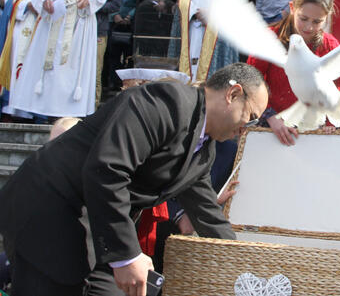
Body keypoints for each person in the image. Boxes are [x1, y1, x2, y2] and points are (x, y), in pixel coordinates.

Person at [0, 62, 268, 295]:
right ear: (233, 94)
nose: (246, 129)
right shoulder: (166, 101)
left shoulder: (203, 150)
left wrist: (247, 265)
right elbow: (108, 169)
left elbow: (207, 212)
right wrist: (126, 256)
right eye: (251, 118)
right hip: (48, 207)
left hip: (96, 225)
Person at [10, 0, 108, 118]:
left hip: (79, 22)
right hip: (54, 19)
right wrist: (44, 0)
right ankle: (47, 110)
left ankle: (71, 112)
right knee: (51, 66)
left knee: (72, 66)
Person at [247, 0, 340, 146]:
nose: (309, 27)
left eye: (317, 21)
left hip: (312, 129)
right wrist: (270, 116)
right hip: (270, 125)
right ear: (292, 8)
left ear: (326, 18)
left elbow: (335, 90)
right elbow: (251, 80)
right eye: (303, 18)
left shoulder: (330, 46)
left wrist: (330, 123)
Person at [173, 0, 239, 83]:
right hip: (192, 27)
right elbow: (184, 1)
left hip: (214, 31)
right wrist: (195, 13)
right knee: (191, 60)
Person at [91, 0, 122, 104]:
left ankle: (92, 107)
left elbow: (116, 3)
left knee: (95, 71)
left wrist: (94, 6)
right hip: (78, 28)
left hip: (99, 29)